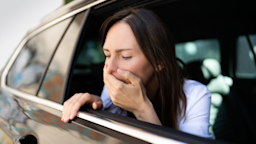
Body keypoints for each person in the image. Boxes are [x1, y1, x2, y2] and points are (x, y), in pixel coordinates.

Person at [61, 8, 212, 138]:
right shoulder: (114, 85)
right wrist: (97, 105)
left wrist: (142, 109)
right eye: (107, 55)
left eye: (125, 56)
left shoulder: (195, 96)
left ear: (158, 61)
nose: (109, 68)